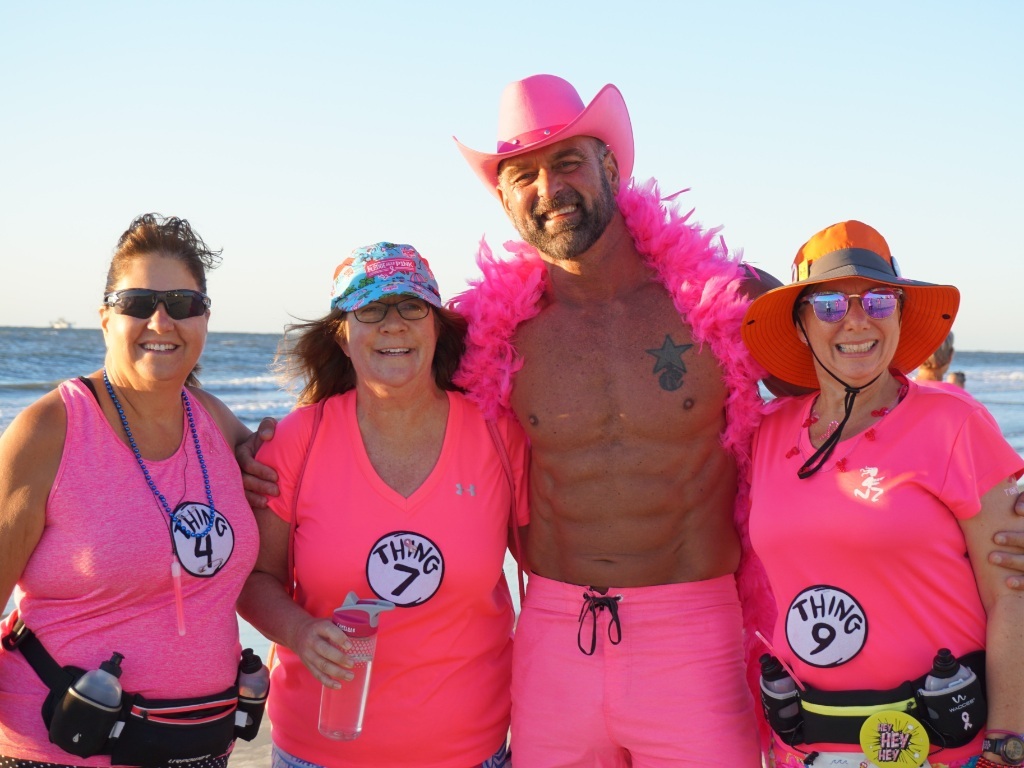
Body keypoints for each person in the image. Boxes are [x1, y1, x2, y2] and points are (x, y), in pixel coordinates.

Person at [448, 74, 779, 766]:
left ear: (610, 166)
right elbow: (374, 392)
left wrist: (975, 512)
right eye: (524, 176)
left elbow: (854, 398)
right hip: (553, 636)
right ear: (503, 198)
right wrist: (262, 446)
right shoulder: (483, 332)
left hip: (693, 637)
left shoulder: (726, 297)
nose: (549, 189)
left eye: (567, 162)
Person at [741, 220, 1024, 768]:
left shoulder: (954, 422)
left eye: (878, 300)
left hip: (946, 749)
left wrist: (1008, 746)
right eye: (828, 304)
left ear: (898, 315)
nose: (856, 320)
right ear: (799, 325)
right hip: (805, 748)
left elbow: (1012, 593)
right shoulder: (764, 433)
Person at [235, 243, 527, 768]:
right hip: (316, 753)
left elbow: (550, 573)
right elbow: (254, 578)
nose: (394, 324)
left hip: (471, 753)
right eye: (370, 310)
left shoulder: (497, 435)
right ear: (342, 336)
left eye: (412, 306)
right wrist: (300, 631)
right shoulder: (297, 440)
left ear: (436, 327)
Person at [0, 214, 259, 767]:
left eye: (182, 304)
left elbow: (291, 479)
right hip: (59, 750)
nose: (161, 321)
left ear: (204, 318)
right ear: (105, 318)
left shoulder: (216, 423)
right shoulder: (49, 431)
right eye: (137, 303)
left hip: (203, 745)